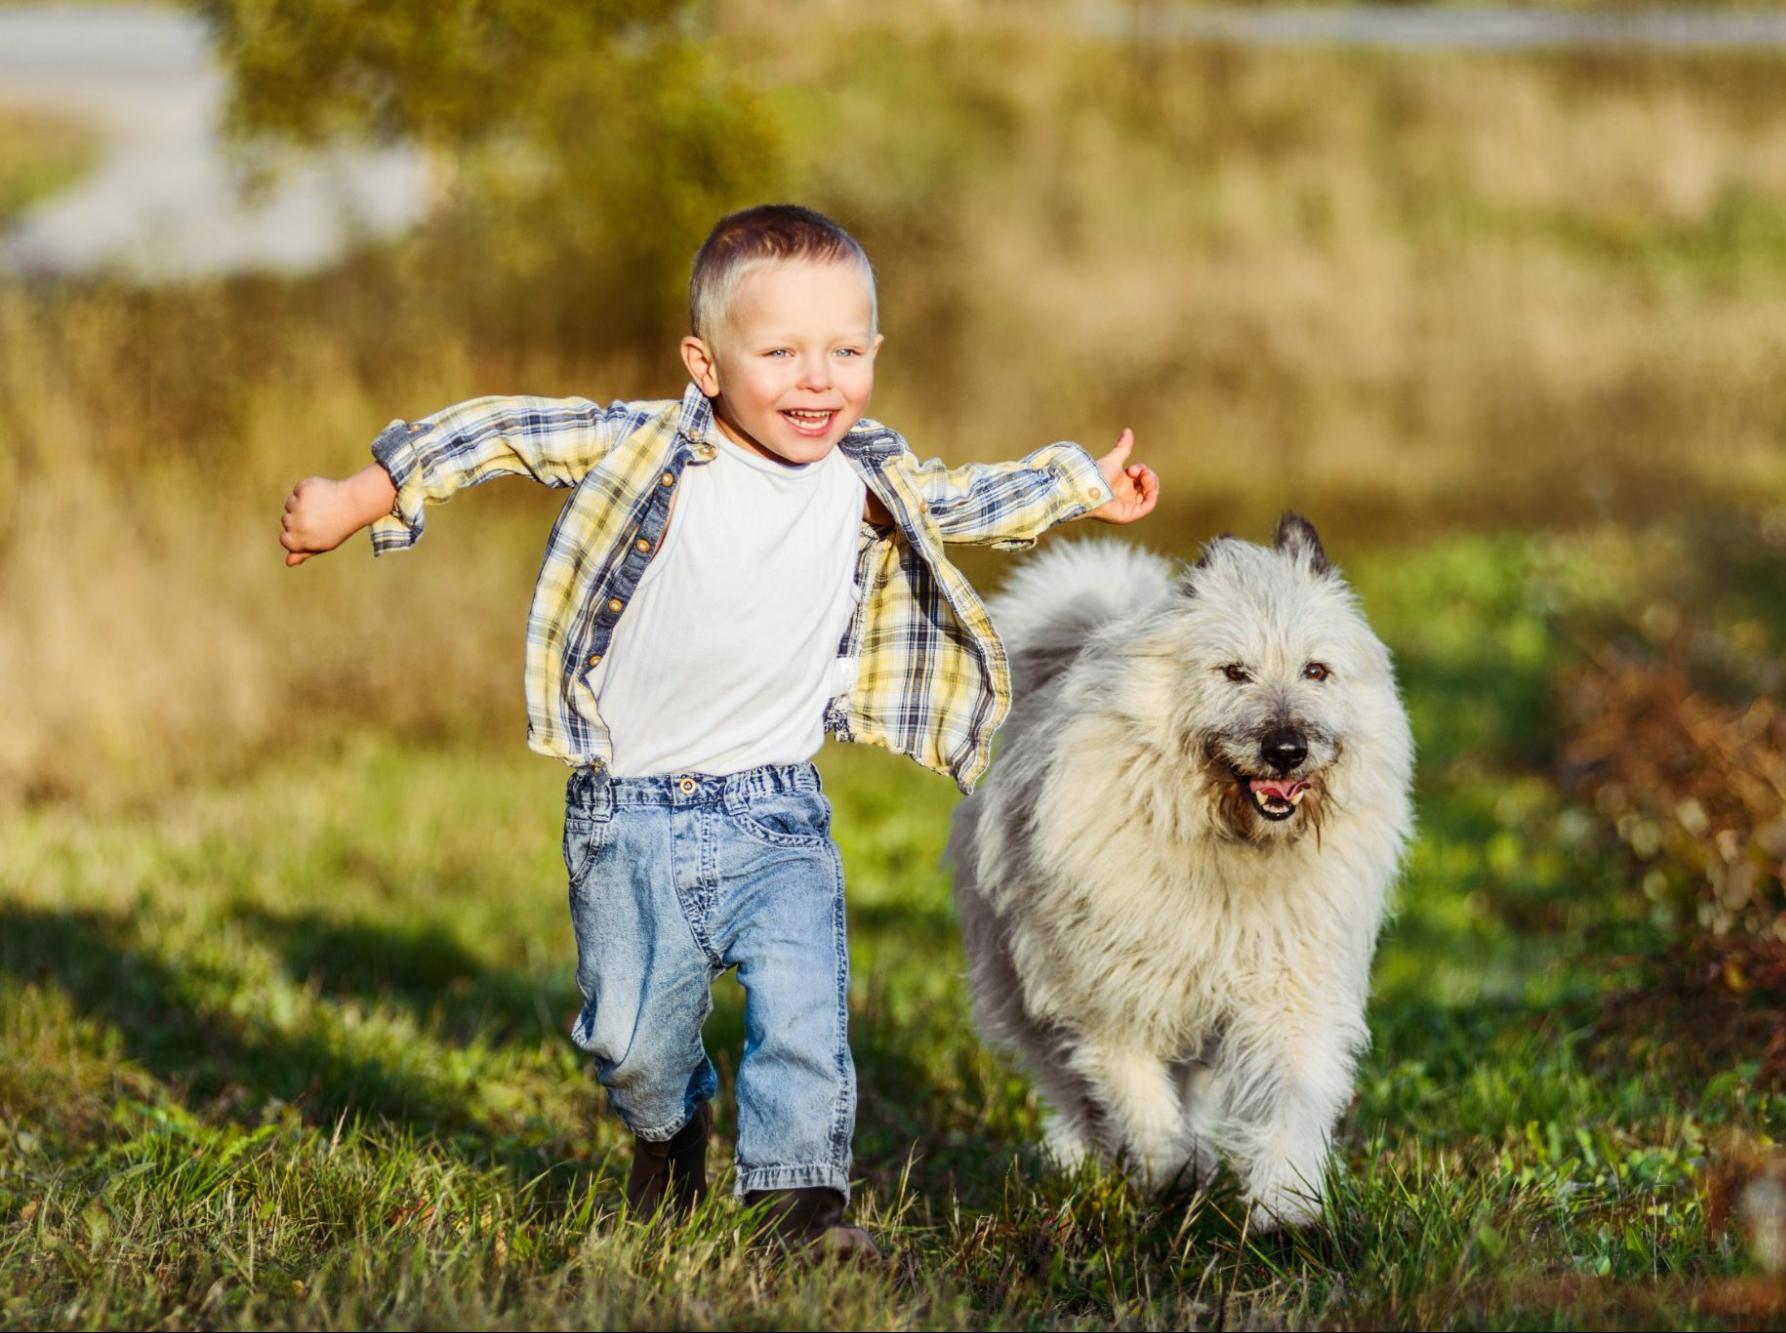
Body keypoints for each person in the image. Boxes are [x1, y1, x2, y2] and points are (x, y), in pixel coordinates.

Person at [277, 204, 1159, 1259]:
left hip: (776, 806)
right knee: (632, 1042)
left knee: (802, 1013)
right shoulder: (651, 448)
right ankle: (670, 1130)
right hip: (628, 816)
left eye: (843, 351)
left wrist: (1080, 487)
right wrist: (356, 498)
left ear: (874, 353)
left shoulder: (859, 481)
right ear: (705, 361)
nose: (816, 379)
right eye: (779, 351)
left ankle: (801, 1205)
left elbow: (967, 497)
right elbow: (495, 431)